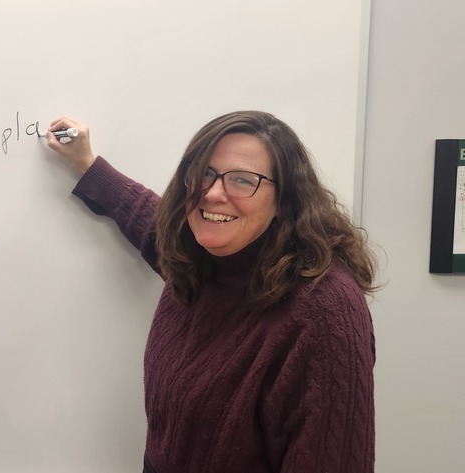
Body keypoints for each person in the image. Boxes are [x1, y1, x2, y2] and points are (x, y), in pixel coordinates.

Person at [45, 111, 378, 473]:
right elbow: (145, 216)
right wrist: (87, 163)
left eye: (242, 180)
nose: (213, 193)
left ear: (285, 199)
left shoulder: (323, 309)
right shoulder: (198, 256)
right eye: (203, 173)